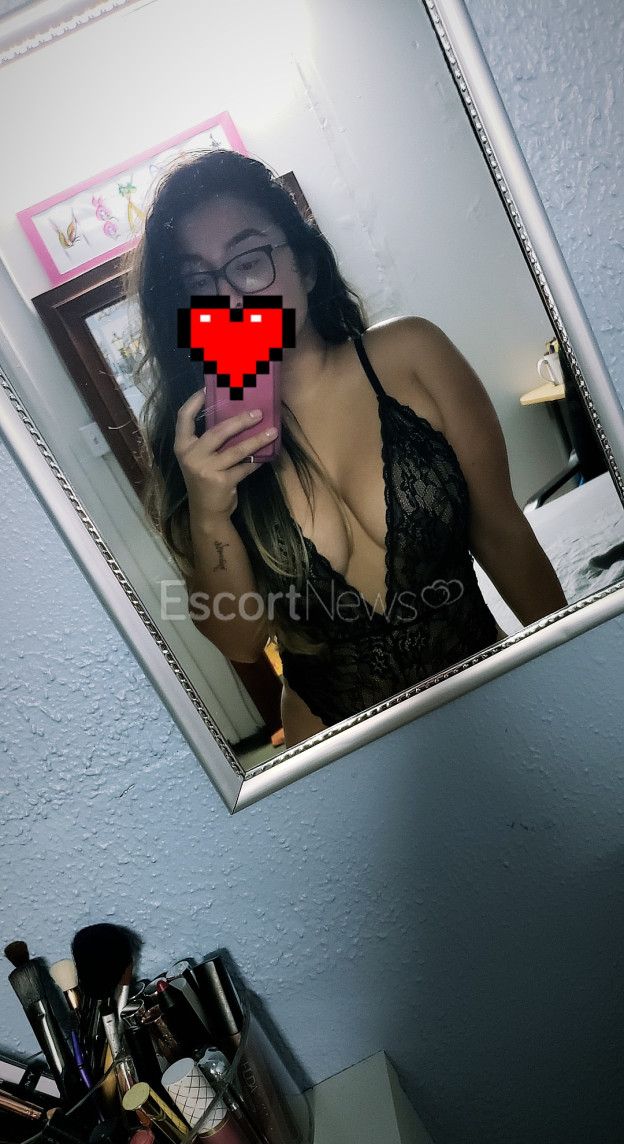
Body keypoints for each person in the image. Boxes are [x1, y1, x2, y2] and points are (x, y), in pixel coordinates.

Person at [131, 150, 567, 747]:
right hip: (339, 752)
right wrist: (210, 513)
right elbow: (241, 641)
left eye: (249, 262)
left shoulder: (411, 356)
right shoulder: (198, 443)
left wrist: (575, 661)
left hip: (490, 696)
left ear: (306, 265)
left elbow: (501, 530)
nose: (229, 297)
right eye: (199, 283)